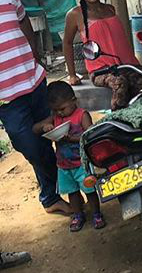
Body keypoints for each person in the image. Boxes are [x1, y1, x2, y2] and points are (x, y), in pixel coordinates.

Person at [0, 0, 71, 216]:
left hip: (33, 79)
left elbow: (23, 22)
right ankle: (63, 183)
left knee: (54, 133)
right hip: (6, 96)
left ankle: (52, 196)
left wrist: (35, 55)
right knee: (30, 145)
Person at [63, 0, 142, 110]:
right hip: (101, 70)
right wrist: (72, 75)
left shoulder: (110, 9)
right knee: (119, 83)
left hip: (127, 65)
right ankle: (118, 118)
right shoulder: (75, 14)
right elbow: (67, 43)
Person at [33, 81, 106, 232]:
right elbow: (35, 129)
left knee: (89, 190)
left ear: (74, 101)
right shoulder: (55, 117)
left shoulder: (81, 115)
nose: (59, 113)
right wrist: (45, 127)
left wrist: (71, 139)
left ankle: (96, 214)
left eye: (62, 109)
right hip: (64, 165)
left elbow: (90, 136)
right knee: (72, 192)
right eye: (55, 110)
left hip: (82, 163)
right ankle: (78, 215)